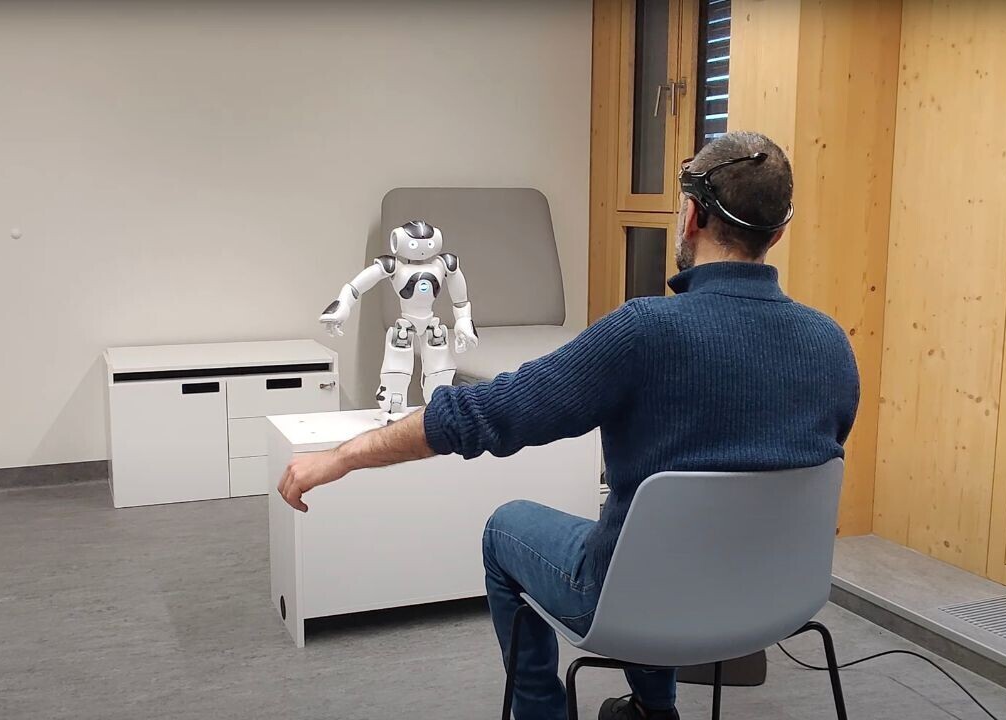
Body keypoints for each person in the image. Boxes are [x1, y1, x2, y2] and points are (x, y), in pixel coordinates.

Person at [278, 131, 860, 720]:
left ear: (691, 216)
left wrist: (342, 455)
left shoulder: (645, 332)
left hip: (638, 601)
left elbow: (484, 414)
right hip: (776, 601)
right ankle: (651, 711)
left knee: (508, 528)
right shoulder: (832, 345)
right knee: (656, 535)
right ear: (776, 233)